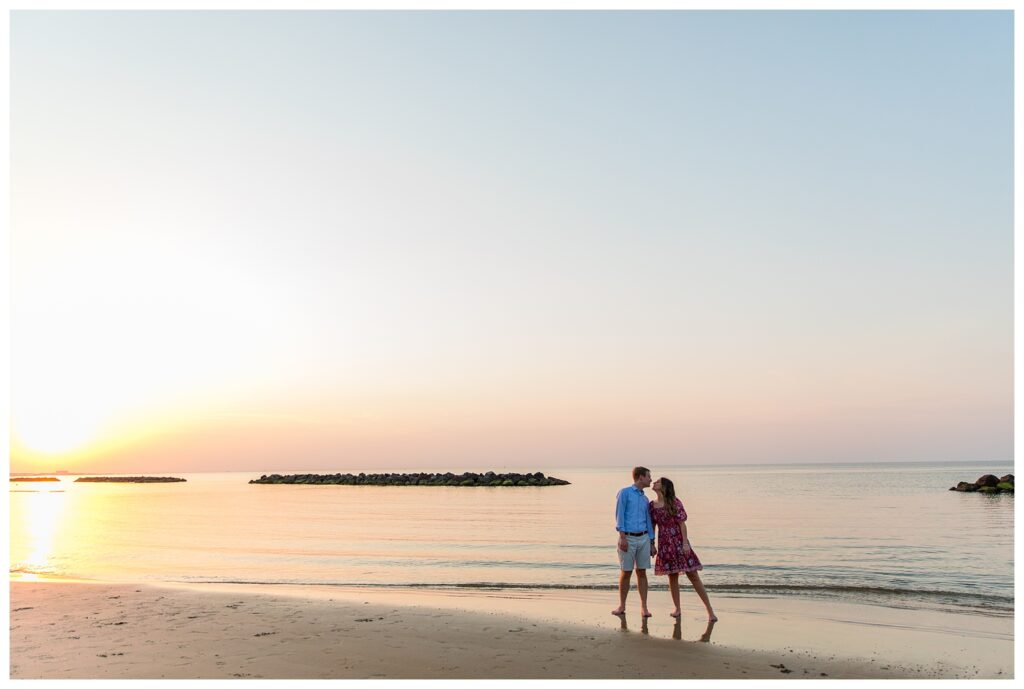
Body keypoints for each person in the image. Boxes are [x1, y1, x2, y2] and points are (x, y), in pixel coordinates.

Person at [649, 476, 717, 621]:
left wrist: (685, 543)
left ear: (664, 487)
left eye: (658, 482)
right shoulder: (652, 505)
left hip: (679, 541)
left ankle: (710, 611)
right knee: (672, 577)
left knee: (693, 575)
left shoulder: (674, 502)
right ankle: (677, 609)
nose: (654, 482)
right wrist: (652, 543)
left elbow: (682, 524)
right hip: (664, 544)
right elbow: (653, 526)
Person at [612, 466, 656, 617]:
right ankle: (622, 606)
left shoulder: (645, 499)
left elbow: (649, 521)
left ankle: (644, 607)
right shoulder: (624, 493)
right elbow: (619, 516)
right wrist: (623, 537)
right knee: (626, 572)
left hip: (643, 538)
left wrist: (652, 542)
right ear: (640, 477)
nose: (651, 479)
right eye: (648, 476)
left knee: (642, 572)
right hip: (628, 538)